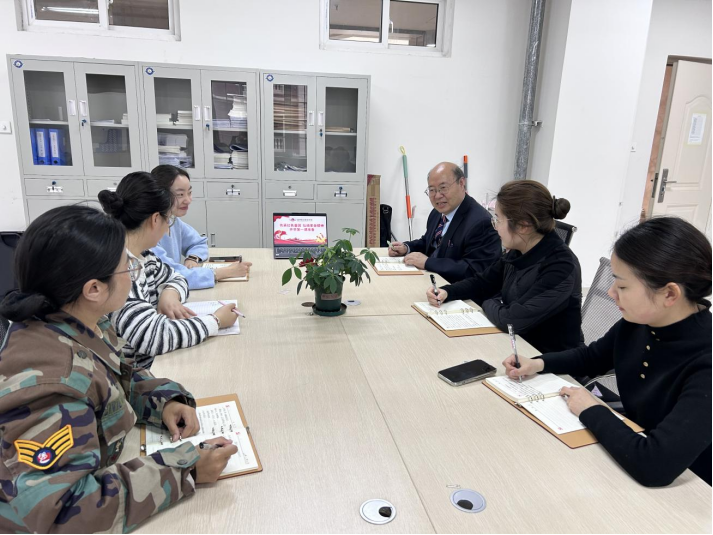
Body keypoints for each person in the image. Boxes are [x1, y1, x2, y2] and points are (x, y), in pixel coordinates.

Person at [0, 205, 237, 533]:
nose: (133, 272)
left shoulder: (77, 322)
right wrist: (185, 469)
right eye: (127, 266)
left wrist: (162, 402)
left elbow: (116, 378)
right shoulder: (52, 383)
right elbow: (62, 515)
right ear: (94, 289)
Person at [504, 217, 712, 487]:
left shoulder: (705, 360)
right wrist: (538, 363)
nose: (611, 293)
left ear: (670, 294)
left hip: (692, 485)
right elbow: (592, 357)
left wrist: (591, 409)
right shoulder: (641, 322)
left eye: (622, 286)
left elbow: (655, 465)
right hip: (632, 447)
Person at [99, 172, 238, 369]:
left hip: (155, 363)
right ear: (155, 219)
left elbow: (177, 277)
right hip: (136, 373)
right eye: (168, 221)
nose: (167, 230)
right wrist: (216, 321)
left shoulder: (144, 256)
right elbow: (152, 337)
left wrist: (169, 293)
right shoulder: (121, 270)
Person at [427, 180, 582, 353]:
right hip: (515, 346)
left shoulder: (561, 266)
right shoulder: (519, 249)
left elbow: (511, 320)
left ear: (523, 225)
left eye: (498, 220)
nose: (495, 227)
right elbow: (483, 282)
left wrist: (488, 301)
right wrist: (447, 291)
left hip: (547, 359)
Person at [389, 162, 501, 283]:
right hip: (431, 281)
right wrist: (406, 248)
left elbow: (474, 270)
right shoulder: (437, 213)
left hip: (457, 290)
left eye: (443, 188)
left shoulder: (481, 222)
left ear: (461, 183)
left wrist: (428, 262)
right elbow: (428, 242)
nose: (437, 196)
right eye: (432, 190)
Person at [151, 165, 251, 290]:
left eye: (189, 193)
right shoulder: (148, 232)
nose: (188, 200)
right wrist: (223, 272)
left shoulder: (172, 220)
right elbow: (169, 275)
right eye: (180, 194)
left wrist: (193, 258)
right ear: (161, 195)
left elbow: (198, 242)